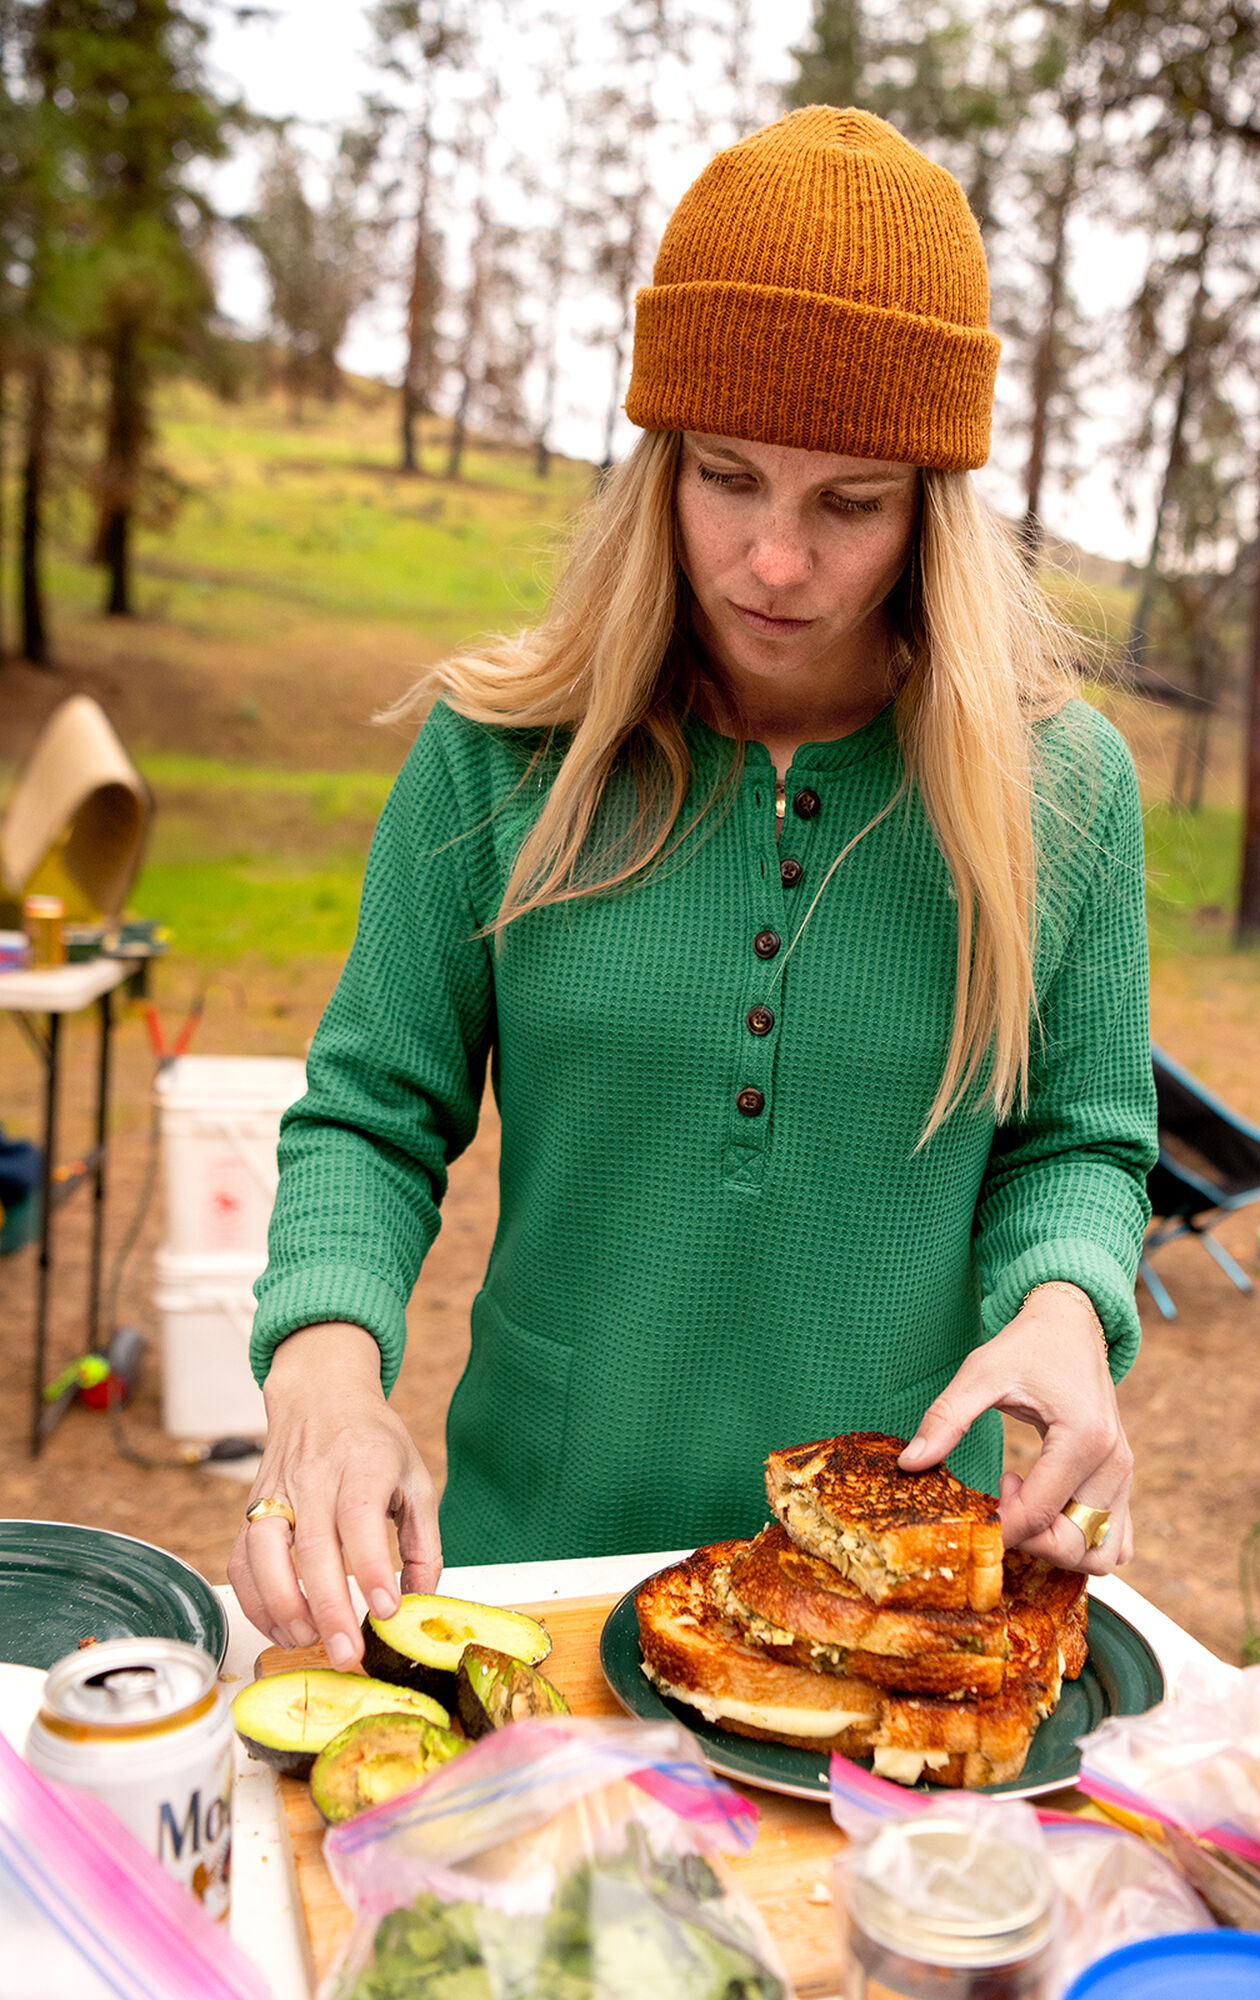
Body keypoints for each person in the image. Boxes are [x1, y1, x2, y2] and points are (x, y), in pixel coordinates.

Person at [229, 106, 1154, 1672]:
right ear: (658, 463)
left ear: (932, 507)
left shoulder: (1061, 788)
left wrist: (1065, 1307)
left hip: (890, 1618)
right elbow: (372, 1114)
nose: (775, 561)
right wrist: (325, 1370)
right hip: (537, 1591)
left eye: (850, 502)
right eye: (727, 478)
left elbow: (1079, 1138)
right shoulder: (498, 756)